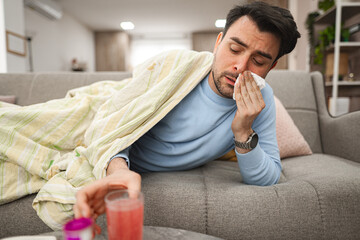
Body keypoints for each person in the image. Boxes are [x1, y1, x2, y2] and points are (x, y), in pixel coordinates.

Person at [73, 1, 300, 227]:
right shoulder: (174, 66)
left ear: (270, 68)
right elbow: (117, 123)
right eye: (234, 49)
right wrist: (118, 170)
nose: (241, 66)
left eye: (258, 61)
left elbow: (268, 178)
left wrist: (242, 131)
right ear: (218, 43)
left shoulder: (261, 98)